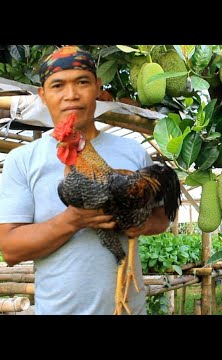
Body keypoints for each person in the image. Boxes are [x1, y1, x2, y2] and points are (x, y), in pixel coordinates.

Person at [0, 45, 171, 315]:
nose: (71, 95)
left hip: (127, 309)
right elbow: (10, 249)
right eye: (58, 85)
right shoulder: (21, 160)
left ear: (98, 88)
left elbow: (162, 217)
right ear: (43, 96)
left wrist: (140, 223)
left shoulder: (135, 153)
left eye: (82, 82)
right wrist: (73, 221)